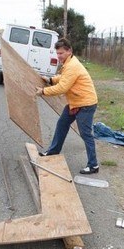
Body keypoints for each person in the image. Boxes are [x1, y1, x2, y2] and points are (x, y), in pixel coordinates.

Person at [35, 38, 99, 174]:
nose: (59, 56)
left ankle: (93, 165)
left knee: (86, 134)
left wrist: (43, 91)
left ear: (69, 51)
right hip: (75, 102)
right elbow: (64, 77)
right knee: (62, 124)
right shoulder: (69, 63)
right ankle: (53, 151)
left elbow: (62, 87)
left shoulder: (72, 66)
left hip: (86, 104)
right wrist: (51, 79)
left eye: (61, 53)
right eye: (57, 53)